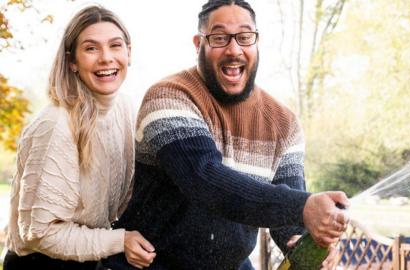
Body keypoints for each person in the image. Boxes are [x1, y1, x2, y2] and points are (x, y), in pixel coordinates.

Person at [104, 0, 349, 269]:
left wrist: (306, 240)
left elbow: (289, 216)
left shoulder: (285, 124)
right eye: (220, 38)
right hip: (149, 264)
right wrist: (304, 206)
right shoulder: (169, 96)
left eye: (245, 37)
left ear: (256, 43)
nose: (234, 49)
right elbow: (203, 178)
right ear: (199, 44)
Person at [3, 5, 156, 270]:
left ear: (128, 53)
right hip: (41, 265)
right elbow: (40, 233)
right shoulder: (56, 124)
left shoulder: (126, 109)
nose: (106, 58)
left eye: (115, 45)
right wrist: (120, 241)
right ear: (72, 61)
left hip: (88, 261)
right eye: (91, 48)